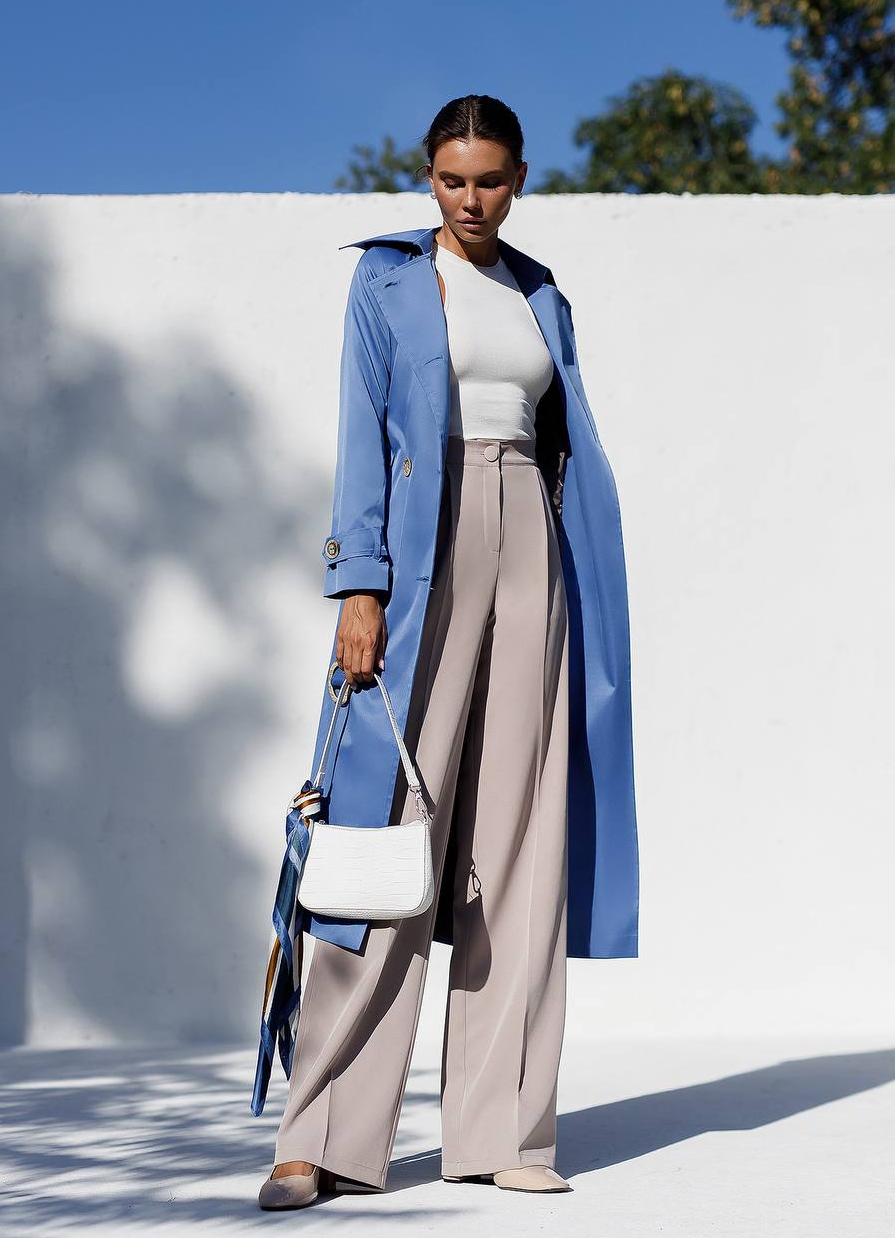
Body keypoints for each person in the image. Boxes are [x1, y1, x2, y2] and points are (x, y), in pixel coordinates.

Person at [257, 93, 639, 1209]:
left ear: (519, 177)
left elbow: (562, 439)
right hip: (424, 549)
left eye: (490, 179)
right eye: (450, 179)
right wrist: (356, 585)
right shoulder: (383, 280)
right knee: (383, 832)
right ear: (429, 177)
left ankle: (504, 1126)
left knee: (519, 841)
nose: (470, 199)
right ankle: (319, 1134)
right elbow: (359, 441)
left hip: (535, 542)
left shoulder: (540, 293)